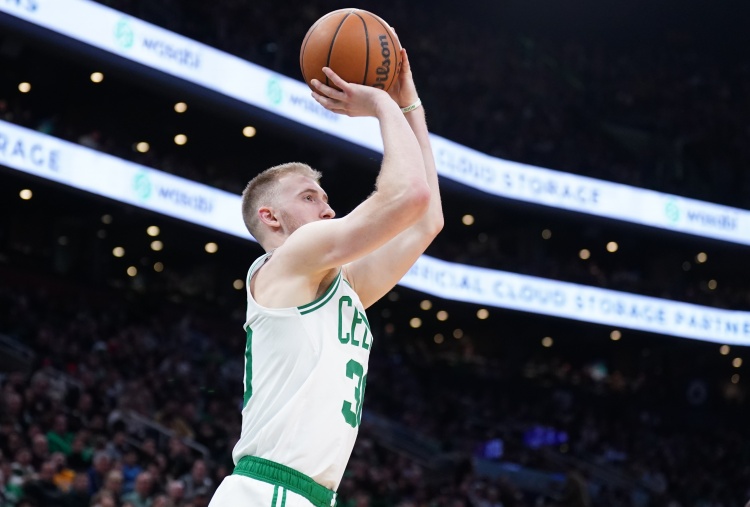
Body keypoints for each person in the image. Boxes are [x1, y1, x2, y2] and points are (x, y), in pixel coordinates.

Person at [209, 45, 442, 507]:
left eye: (325, 197)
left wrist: (408, 103)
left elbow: (427, 220)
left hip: (309, 494)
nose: (328, 208)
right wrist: (379, 104)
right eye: (309, 197)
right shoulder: (290, 258)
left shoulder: (342, 286)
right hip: (267, 490)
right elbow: (409, 194)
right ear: (271, 217)